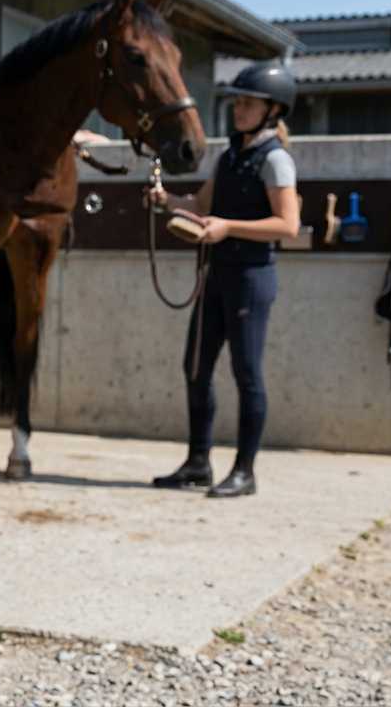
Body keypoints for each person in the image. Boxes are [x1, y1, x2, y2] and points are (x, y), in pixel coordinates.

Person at [146, 61, 301, 498]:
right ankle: (198, 463)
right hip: (216, 276)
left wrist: (228, 228)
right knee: (195, 367)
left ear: (273, 110)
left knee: (246, 373)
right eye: (237, 102)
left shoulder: (275, 161)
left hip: (251, 277)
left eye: (248, 103)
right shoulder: (230, 155)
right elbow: (200, 203)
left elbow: (287, 225)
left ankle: (245, 472)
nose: (238, 109)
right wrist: (167, 202)